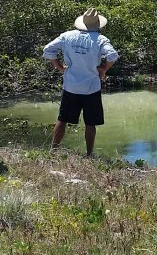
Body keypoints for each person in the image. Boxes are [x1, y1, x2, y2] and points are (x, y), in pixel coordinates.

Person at [43, 8, 119, 156]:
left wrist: (59, 67)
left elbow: (48, 50)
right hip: (91, 87)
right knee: (90, 123)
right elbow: (112, 55)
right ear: (99, 26)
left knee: (62, 119)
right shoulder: (100, 39)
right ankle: (89, 154)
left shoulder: (67, 36)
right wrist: (104, 69)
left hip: (70, 85)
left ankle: (53, 151)